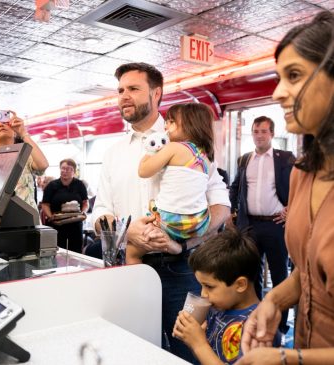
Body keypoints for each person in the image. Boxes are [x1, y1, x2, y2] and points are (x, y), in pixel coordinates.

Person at [91, 62, 231, 362]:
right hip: (130, 269)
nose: (123, 96)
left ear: (157, 94)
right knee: (134, 349)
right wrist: (127, 231)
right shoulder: (113, 154)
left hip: (187, 268)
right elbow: (99, 212)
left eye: (133, 89)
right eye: (120, 90)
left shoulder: (187, 142)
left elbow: (221, 205)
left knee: (192, 347)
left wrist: (187, 241)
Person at [236, 10, 334, 365]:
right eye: (279, 77)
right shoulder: (303, 173)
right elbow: (309, 276)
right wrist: (273, 301)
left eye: (294, 76)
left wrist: (287, 359)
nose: (278, 93)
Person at [229, 116, 295, 336]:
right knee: (250, 275)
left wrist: (291, 208)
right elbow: (235, 187)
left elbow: (298, 186)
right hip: (250, 226)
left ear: (272, 134)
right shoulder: (244, 159)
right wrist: (233, 212)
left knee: (279, 276)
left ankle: (280, 325)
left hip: (276, 225)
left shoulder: (285, 158)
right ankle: (254, 319)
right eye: (256, 131)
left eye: (263, 131)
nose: (259, 135)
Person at [127, 102, 215, 264]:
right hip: (199, 222)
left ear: (190, 125)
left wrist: (152, 148)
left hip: (171, 220)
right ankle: (175, 248)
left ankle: (135, 286)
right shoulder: (206, 158)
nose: (166, 125)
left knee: (132, 250)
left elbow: (143, 171)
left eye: (171, 121)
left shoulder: (173, 147)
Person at [173, 227, 260, 365]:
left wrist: (199, 345)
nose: (203, 294)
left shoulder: (257, 326)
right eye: (201, 286)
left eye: (209, 286)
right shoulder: (219, 308)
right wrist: (192, 337)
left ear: (240, 285)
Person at [0, 108, 49, 211]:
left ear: (14, 132)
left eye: (5, 123)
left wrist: (23, 132)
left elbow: (42, 165)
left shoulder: (25, 154)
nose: (1, 125)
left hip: (27, 217)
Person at [42, 159, 89, 253]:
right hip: (57, 225)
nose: (64, 171)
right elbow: (45, 204)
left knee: (75, 252)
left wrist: (84, 212)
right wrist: (50, 216)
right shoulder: (52, 185)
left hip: (75, 225)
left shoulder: (79, 185)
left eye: (68, 169)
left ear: (74, 171)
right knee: (57, 252)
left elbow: (85, 202)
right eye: (63, 168)